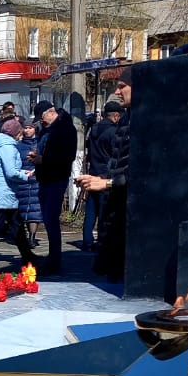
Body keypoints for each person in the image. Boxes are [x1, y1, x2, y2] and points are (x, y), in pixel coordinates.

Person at [79, 72, 133, 281]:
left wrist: (108, 182)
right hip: (110, 190)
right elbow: (118, 160)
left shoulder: (144, 119)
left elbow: (141, 169)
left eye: (122, 86)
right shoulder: (125, 120)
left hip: (117, 193)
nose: (117, 92)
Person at [0, 117, 36, 268]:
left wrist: (23, 172)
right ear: (15, 132)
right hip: (4, 193)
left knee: (17, 225)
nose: (21, 134)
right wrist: (25, 176)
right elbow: (11, 172)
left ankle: (27, 255)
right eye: (20, 131)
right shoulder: (8, 148)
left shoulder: (4, 146)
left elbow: (10, 170)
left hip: (6, 192)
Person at [32, 103, 78, 275]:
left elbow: (67, 156)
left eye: (42, 118)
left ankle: (54, 260)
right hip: (45, 178)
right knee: (47, 219)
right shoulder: (46, 129)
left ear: (51, 113)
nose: (41, 122)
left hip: (56, 178)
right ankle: (52, 257)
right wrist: (37, 157)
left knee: (51, 219)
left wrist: (43, 160)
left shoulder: (65, 129)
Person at [82, 97, 122, 258]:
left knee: (91, 211)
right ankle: (103, 242)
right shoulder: (114, 131)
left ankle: (87, 241)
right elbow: (115, 153)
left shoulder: (94, 129)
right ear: (116, 116)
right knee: (105, 212)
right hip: (106, 175)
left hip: (93, 171)